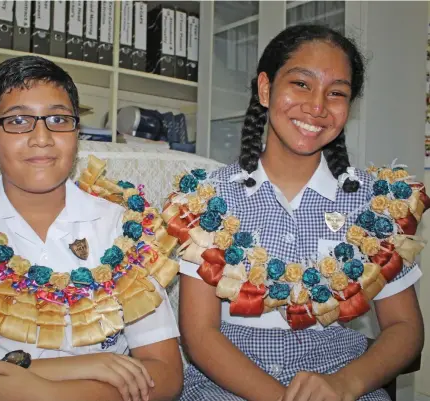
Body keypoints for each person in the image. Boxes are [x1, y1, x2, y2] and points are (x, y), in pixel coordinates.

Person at [0, 55, 183, 401]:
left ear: (76, 133)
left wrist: (53, 394)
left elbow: (165, 373)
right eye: (18, 121)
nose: (42, 137)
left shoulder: (126, 229)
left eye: (58, 119)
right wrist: (51, 371)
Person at [170, 25, 425, 401]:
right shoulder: (208, 200)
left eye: (336, 92)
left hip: (340, 381)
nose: (318, 106)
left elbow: (404, 327)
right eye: (302, 84)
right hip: (230, 381)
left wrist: (345, 385)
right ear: (265, 89)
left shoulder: (376, 203)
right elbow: (200, 334)